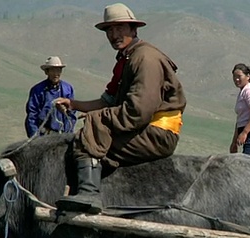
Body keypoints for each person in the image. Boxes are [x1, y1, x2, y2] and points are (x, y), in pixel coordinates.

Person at [54, 3, 186, 214]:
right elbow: (109, 101)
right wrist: (74, 104)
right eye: (109, 30)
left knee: (89, 138)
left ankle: (89, 195)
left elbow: (138, 112)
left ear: (133, 29)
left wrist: (97, 119)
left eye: (119, 28)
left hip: (156, 133)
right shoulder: (128, 57)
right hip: (144, 128)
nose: (114, 34)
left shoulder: (145, 59)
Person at [24, 56, 78, 138]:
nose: (56, 74)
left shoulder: (68, 89)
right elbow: (32, 116)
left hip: (62, 136)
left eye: (58, 70)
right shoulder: (38, 90)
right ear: (47, 72)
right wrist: (35, 138)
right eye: (53, 70)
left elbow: (71, 115)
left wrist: (68, 135)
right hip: (43, 136)